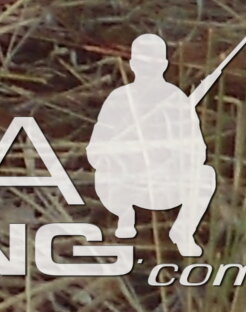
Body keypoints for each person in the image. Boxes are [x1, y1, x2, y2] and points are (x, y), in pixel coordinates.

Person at [86, 34, 217, 255]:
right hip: (126, 183)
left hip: (165, 183)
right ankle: (125, 217)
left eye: (154, 62)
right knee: (105, 175)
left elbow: (198, 151)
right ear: (133, 64)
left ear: (164, 65)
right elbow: (96, 150)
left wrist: (171, 155)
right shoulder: (119, 99)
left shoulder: (177, 100)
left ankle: (183, 232)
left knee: (206, 176)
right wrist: (124, 156)